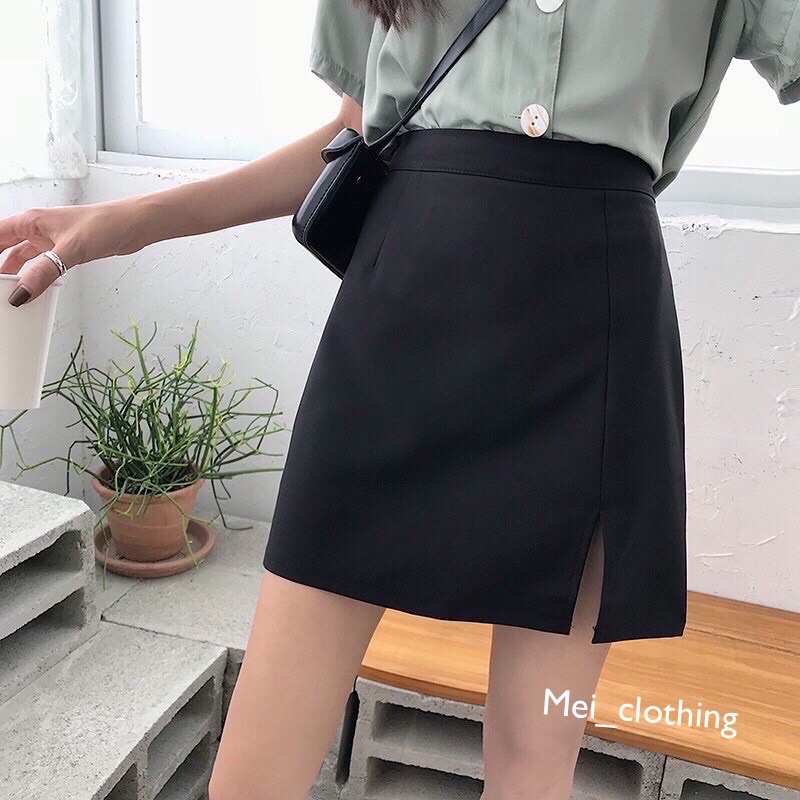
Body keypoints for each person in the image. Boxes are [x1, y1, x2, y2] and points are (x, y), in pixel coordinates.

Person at [1, 1, 798, 798]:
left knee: (534, 765)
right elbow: (352, 135)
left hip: (596, 344)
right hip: (397, 328)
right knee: (253, 775)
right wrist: (120, 224)